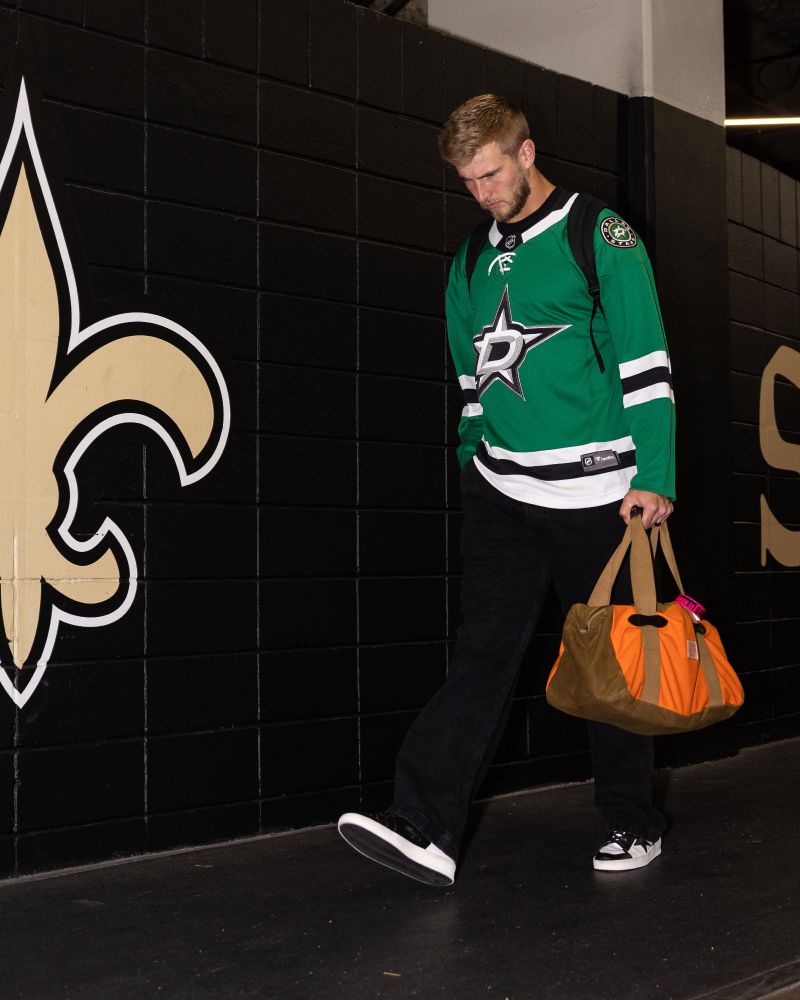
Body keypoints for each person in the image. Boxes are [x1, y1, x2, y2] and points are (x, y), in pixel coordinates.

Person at [338, 94, 675, 886]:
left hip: (605, 497)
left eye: (490, 173)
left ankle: (634, 821)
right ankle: (424, 826)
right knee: (481, 656)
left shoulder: (602, 235)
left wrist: (654, 477)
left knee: (613, 674)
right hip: (503, 496)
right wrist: (471, 461)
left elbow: (647, 363)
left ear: (526, 152)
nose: (482, 193)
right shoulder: (465, 265)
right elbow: (469, 386)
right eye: (467, 182)